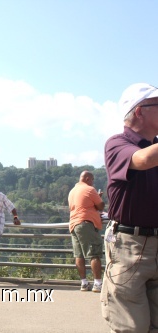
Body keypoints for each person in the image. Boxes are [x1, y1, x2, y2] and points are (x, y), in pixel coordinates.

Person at [103, 83, 158, 332]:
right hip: (129, 247)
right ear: (139, 111)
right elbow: (144, 160)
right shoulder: (117, 144)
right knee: (131, 328)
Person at [68, 171, 105, 293]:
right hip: (86, 223)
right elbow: (100, 206)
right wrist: (99, 197)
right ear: (88, 179)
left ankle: (84, 283)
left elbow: (81, 205)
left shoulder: (72, 191)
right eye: (92, 180)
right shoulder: (90, 189)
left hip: (74, 224)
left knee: (79, 255)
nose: (93, 182)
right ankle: (98, 283)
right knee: (94, 253)